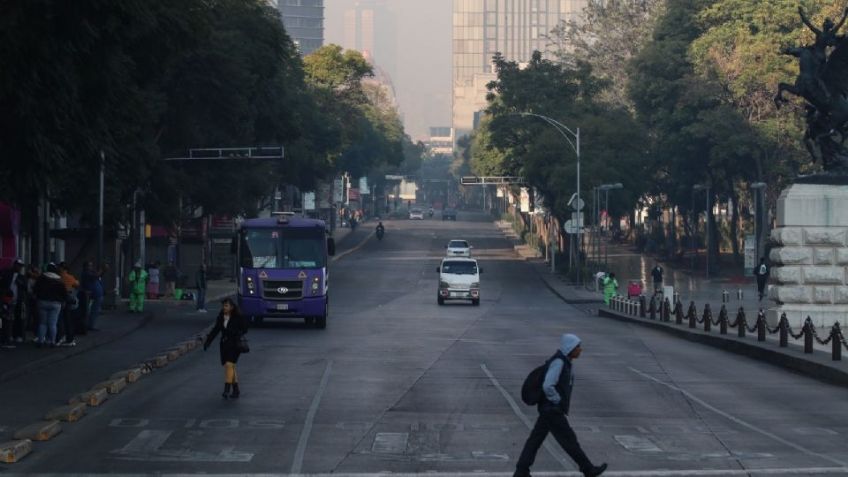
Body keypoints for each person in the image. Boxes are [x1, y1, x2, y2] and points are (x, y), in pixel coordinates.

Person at [514, 334, 607, 477]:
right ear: (570, 347)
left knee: (535, 440)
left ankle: (521, 470)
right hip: (552, 410)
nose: (580, 350)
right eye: (577, 347)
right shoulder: (559, 362)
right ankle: (588, 469)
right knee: (569, 440)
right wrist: (556, 399)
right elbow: (548, 385)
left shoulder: (565, 361)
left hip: (548, 410)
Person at [203, 298, 248, 399]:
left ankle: (226, 389)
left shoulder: (238, 317)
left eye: (226, 306)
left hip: (235, 344)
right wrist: (208, 342)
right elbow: (216, 330)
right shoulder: (221, 317)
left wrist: (237, 333)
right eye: (223, 306)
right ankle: (236, 390)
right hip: (225, 344)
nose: (224, 308)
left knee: (229, 364)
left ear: (232, 307)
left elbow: (245, 329)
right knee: (230, 366)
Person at [34, 263, 66, 347]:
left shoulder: (41, 278)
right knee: (52, 323)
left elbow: (35, 289)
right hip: (55, 303)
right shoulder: (59, 279)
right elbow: (64, 293)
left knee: (42, 323)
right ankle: (52, 341)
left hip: (42, 301)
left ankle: (40, 341)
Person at [57, 262, 80, 346]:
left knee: (63, 320)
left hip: (61, 301)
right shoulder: (71, 277)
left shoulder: (59, 277)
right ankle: (69, 338)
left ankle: (65, 337)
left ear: (62, 268)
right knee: (68, 320)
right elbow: (77, 284)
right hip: (69, 301)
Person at [81, 261, 104, 331]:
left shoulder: (90, 273)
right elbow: (96, 276)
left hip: (96, 294)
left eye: (91, 265)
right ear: (85, 267)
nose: (91, 267)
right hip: (91, 295)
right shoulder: (86, 273)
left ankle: (90, 324)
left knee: (94, 311)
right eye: (89, 266)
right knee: (92, 311)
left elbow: (97, 276)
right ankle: (90, 325)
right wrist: (101, 270)